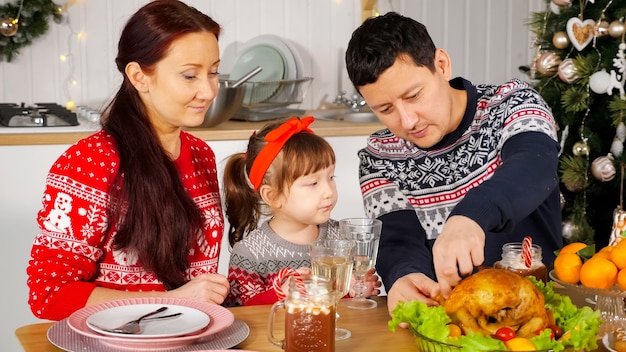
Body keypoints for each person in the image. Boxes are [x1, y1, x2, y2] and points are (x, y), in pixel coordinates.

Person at [344, 12, 563, 314]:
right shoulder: (379, 154)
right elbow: (397, 239)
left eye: (414, 95)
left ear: (442, 65)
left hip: (536, 315)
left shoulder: (513, 104)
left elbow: (534, 167)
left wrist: (469, 217)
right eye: (384, 109)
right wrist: (404, 275)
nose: (407, 121)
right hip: (447, 323)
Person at [26, 0, 229, 321]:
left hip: (186, 334)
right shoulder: (90, 162)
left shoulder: (201, 154)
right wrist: (173, 300)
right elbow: (50, 294)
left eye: (214, 72)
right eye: (190, 76)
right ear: (139, 76)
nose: (208, 90)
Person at [222, 116, 381, 306]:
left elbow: (344, 304)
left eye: (331, 177)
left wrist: (359, 290)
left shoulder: (342, 238)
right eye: (313, 183)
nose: (328, 191)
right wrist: (280, 293)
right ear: (272, 196)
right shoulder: (249, 254)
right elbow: (240, 315)